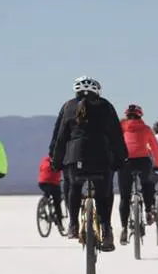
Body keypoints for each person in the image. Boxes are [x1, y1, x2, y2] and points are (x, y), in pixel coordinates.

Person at [50, 76, 127, 250]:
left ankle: (73, 225)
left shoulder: (68, 106)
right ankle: (106, 230)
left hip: (75, 157)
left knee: (74, 187)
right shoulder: (106, 106)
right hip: (102, 158)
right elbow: (116, 136)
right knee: (104, 193)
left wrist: (56, 160)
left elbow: (60, 137)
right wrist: (120, 159)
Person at [117, 104, 158, 245]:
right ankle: (148, 210)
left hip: (125, 162)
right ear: (140, 116)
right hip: (143, 161)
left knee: (125, 197)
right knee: (147, 184)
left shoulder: (120, 127)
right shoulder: (146, 129)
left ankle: (124, 228)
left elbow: (113, 144)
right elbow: (155, 147)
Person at [37, 155, 64, 231]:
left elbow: (40, 169)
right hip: (53, 183)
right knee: (57, 202)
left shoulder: (44, 160)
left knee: (47, 192)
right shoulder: (60, 159)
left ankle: (44, 202)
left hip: (42, 182)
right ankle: (59, 223)